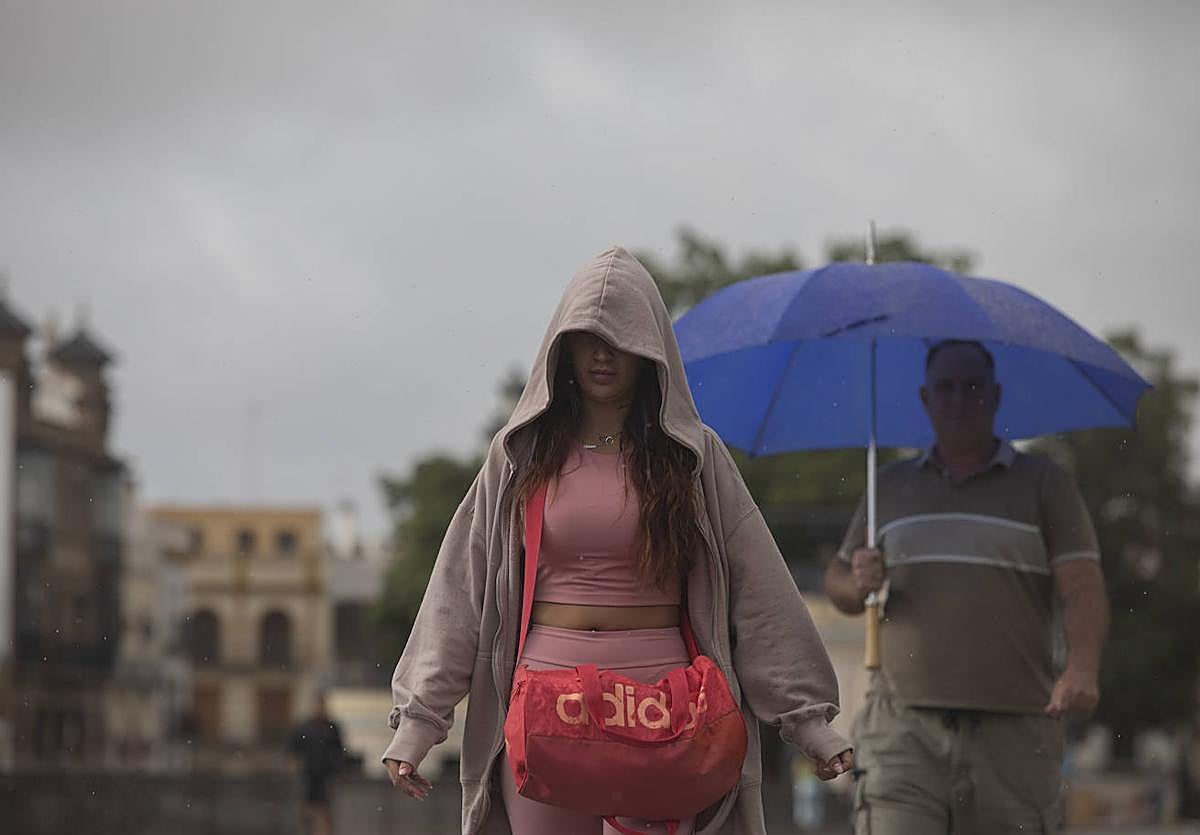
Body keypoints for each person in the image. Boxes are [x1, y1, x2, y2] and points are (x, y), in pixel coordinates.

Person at [382, 246, 853, 834]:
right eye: (586, 337)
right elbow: (460, 590)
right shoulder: (519, 455)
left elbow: (760, 592)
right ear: (563, 348)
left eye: (621, 339)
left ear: (651, 350)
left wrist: (808, 720)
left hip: (663, 708)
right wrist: (418, 722)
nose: (602, 354)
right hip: (544, 708)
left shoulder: (693, 457)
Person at [824, 339, 1110, 835]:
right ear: (925, 398)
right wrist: (858, 582)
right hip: (903, 730)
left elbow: (1082, 586)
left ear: (995, 395)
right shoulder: (888, 486)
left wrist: (1082, 668)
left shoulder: (1046, 484)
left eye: (972, 386)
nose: (958, 399)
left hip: (1016, 733)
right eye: (946, 387)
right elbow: (838, 583)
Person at [288, 694, 346, 835]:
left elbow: (339, 751)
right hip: (308, 775)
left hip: (326, 775)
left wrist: (339, 772)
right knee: (308, 809)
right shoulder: (304, 727)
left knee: (324, 810)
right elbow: (292, 750)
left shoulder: (332, 727)